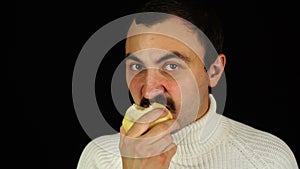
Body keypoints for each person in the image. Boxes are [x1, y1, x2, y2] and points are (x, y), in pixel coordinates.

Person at [76, 0, 298, 168]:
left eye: (171, 66)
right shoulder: (99, 157)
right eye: (136, 66)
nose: (150, 89)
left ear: (213, 71)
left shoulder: (267, 158)